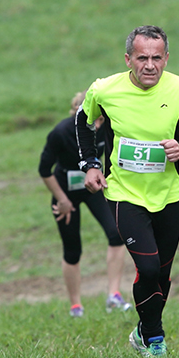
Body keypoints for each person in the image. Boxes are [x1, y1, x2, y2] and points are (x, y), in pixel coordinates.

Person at [76, 25, 179, 358]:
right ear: (128, 59)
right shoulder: (104, 90)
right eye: (141, 58)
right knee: (148, 269)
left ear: (166, 58)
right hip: (124, 194)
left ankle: (142, 331)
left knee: (162, 274)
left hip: (168, 194)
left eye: (156, 58)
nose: (149, 65)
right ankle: (154, 338)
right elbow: (83, 122)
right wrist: (90, 164)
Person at [39, 92, 129, 318]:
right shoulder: (61, 132)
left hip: (93, 188)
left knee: (116, 233)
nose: (97, 125)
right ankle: (76, 307)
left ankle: (114, 296)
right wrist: (62, 200)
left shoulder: (106, 127)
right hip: (65, 192)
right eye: (92, 119)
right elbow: (44, 169)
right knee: (73, 250)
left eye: (100, 119)